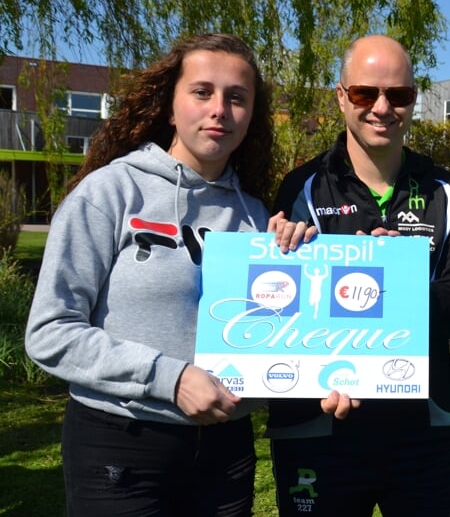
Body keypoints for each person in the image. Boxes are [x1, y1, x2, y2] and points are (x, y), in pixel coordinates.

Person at [23, 33, 293, 515]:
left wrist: (302, 270)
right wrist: (169, 379)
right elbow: (50, 332)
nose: (219, 110)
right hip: (121, 444)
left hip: (226, 452)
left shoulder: (256, 216)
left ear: (251, 116)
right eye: (202, 92)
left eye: (237, 98)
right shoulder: (110, 193)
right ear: (171, 107)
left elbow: (274, 334)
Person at [268, 34, 450, 517]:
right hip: (318, 426)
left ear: (413, 101)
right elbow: (274, 304)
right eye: (366, 93)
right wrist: (281, 249)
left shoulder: (444, 190)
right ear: (342, 97)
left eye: (399, 95)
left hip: (423, 425)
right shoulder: (299, 189)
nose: (382, 108)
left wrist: (400, 283)